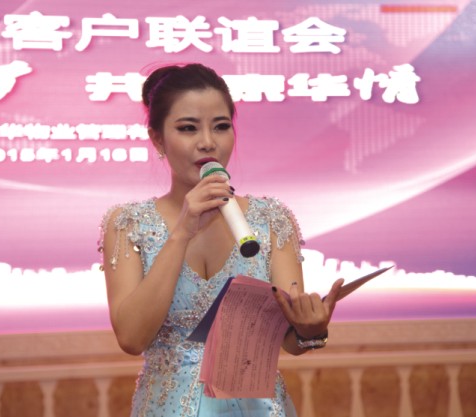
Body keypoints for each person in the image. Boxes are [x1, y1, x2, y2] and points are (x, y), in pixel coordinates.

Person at [99, 63, 344, 417]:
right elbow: (131, 338)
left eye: (221, 126)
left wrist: (311, 330)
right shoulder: (128, 224)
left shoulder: (271, 219)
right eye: (188, 128)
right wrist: (182, 230)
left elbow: (288, 340)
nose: (208, 142)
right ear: (157, 139)